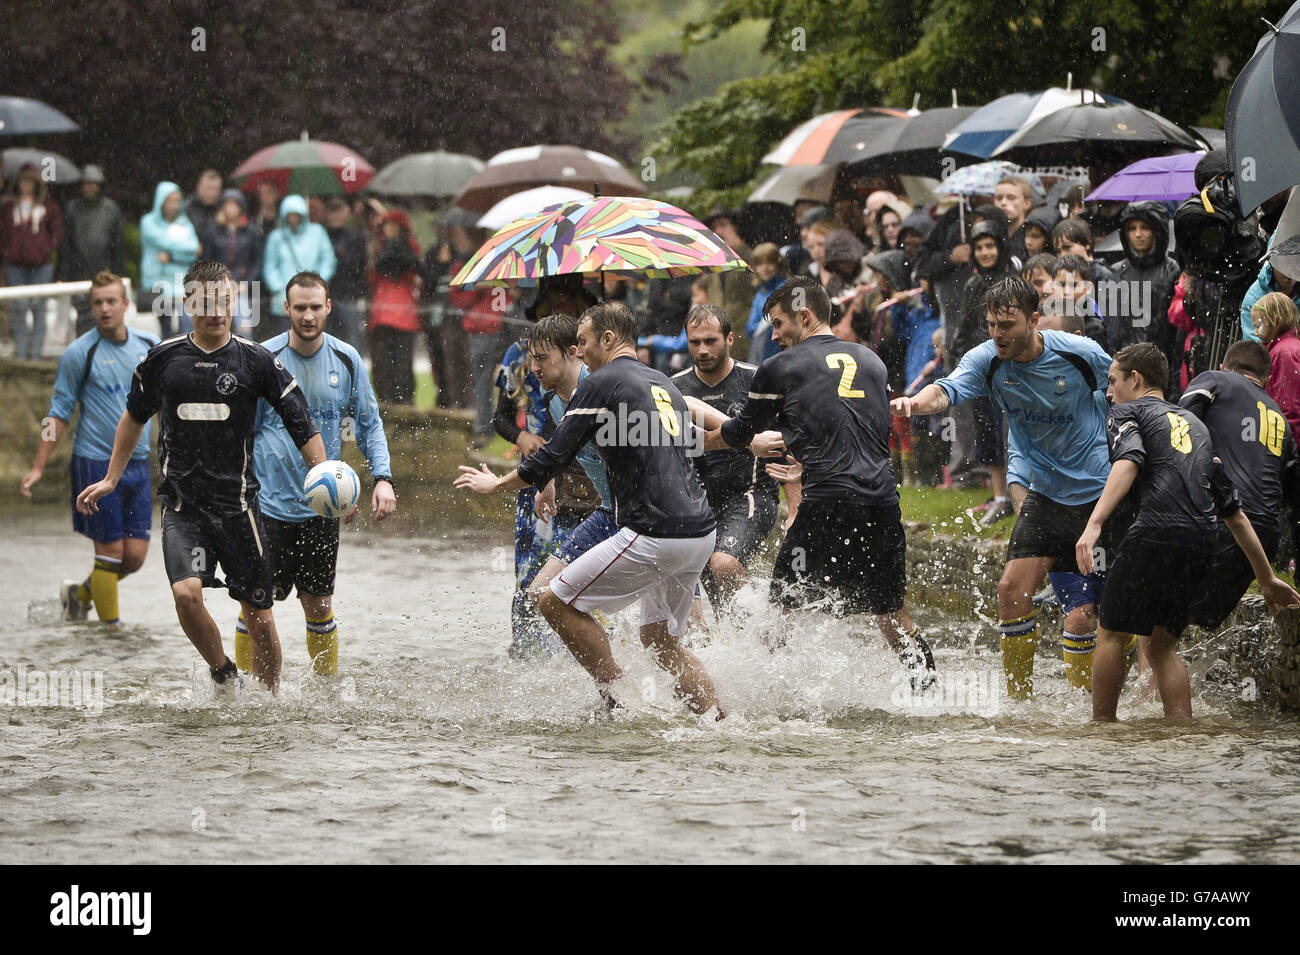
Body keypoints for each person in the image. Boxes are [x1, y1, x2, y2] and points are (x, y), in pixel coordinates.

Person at [455, 302, 724, 717]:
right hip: (700, 532)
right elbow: (693, 443)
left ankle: (621, 702)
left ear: (608, 340)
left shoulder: (599, 383)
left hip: (652, 530)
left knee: (552, 600)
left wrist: (498, 484)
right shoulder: (661, 382)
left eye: (582, 342)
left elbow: (551, 458)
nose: (580, 350)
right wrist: (742, 435)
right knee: (659, 639)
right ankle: (719, 721)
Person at [75, 260, 325, 692]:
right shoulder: (164, 360)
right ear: (189, 303)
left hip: (239, 508)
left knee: (260, 617)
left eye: (225, 301)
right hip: (183, 508)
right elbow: (133, 418)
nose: (216, 312)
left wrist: (324, 479)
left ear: (235, 302)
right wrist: (112, 477)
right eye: (206, 303)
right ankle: (224, 673)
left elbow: (300, 422)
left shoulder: (257, 362)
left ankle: (267, 705)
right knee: (187, 595)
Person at [700, 276, 937, 685]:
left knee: (782, 611)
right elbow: (861, 435)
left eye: (778, 324)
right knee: (893, 616)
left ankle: (768, 703)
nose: (774, 337)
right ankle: (931, 691)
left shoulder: (779, 368)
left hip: (825, 508)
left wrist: (702, 442)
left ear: (804, 316)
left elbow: (742, 432)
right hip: (881, 504)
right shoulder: (872, 362)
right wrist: (808, 467)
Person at [893, 276, 1118, 699]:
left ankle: (1089, 710)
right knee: (1010, 591)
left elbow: (1128, 392)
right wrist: (914, 403)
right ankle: (1020, 702)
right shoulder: (987, 359)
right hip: (1045, 494)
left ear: (1034, 321)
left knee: (1086, 616)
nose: (998, 334)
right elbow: (948, 390)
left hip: (1096, 492)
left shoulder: (1080, 354)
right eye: (992, 324)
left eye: (1008, 325)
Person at [1075, 343, 1300, 721]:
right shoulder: (1197, 425)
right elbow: (1233, 511)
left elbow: (1129, 459)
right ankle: (1181, 730)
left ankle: (1102, 730)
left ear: (1135, 379)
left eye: (1112, 381)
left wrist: (1094, 523)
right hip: (1202, 540)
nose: (1108, 392)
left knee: (1111, 632)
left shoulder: (1126, 411)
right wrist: (1265, 577)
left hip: (1155, 529)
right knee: (1162, 646)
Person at [233, 271, 395, 676]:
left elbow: (369, 424)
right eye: (299, 307)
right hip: (266, 507)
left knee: (319, 603)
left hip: (323, 509)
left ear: (328, 307)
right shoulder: (261, 358)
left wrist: (383, 478)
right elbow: (240, 431)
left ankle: (326, 695)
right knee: (255, 604)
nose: (307, 316)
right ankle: (241, 698)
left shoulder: (347, 359)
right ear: (286, 309)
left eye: (315, 307)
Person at [21, 271, 158, 623]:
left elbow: (168, 399)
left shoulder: (149, 344)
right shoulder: (79, 353)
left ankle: (77, 595)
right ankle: (111, 637)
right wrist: (38, 466)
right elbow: (57, 414)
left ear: (126, 304)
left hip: (139, 464)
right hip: (94, 463)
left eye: (111, 301)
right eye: (97, 302)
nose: (104, 308)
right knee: (110, 552)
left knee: (135, 558)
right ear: (91, 308)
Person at [1179, 340, 1299, 629]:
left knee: (1157, 623)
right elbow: (1290, 488)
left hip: (1218, 520)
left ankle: (1146, 674)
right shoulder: (1280, 418)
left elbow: (1176, 427)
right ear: (1267, 380)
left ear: (1224, 365)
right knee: (1191, 621)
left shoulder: (1214, 380)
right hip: (1263, 537)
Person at [670, 305, 780, 611]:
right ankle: (757, 644)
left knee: (724, 562)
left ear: (730, 338)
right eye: (695, 343)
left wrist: (796, 503)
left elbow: (785, 444)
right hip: (699, 504)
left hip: (751, 493)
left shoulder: (757, 380)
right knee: (720, 606)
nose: (703, 350)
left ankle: (756, 634)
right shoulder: (675, 388)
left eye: (711, 341)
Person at [956, 219, 1016, 526]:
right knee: (988, 433)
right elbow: (964, 328)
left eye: (990, 245)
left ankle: (1020, 497)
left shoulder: (1012, 280)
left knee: (1013, 433)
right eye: (979, 247)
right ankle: (1000, 497)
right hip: (982, 370)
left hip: (1011, 367)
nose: (985, 252)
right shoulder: (973, 285)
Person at [1109, 202, 1181, 389]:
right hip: (1126, 362)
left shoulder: (1173, 270)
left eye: (1145, 228)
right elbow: (1114, 325)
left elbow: (1174, 326)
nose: (1138, 234)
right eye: (1132, 229)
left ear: (1157, 231)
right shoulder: (1118, 272)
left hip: (1162, 361)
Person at [1, 163, 64, 359]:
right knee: (18, 310)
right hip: (15, 265)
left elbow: (57, 233)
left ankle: (35, 354)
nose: (26, 185)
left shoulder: (49, 206)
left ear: (36, 184)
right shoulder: (8, 206)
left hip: (41, 265)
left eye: (29, 181)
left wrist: (45, 249)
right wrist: (7, 251)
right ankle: (21, 354)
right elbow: (3, 233)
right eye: (22, 180)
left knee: (39, 309)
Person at [57, 165, 125, 337]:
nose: (91, 187)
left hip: (104, 270)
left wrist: (117, 273)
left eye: (94, 184)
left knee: (106, 313)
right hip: (78, 271)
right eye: (87, 183)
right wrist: (64, 274)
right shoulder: (72, 208)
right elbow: (66, 245)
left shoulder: (111, 209)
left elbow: (117, 245)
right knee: (83, 317)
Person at [262, 194, 337, 341]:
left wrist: (318, 282)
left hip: (314, 295)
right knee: (285, 340)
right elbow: (270, 266)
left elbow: (328, 260)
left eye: (297, 215)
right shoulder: (277, 237)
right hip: (284, 298)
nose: (293, 220)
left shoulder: (317, 232)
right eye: (290, 216)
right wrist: (278, 288)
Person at [367, 210, 422, 404]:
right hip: (386, 312)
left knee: (402, 363)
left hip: (399, 312)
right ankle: (388, 399)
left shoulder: (408, 249)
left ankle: (402, 400)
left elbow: (415, 270)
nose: (389, 230)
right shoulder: (379, 249)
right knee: (383, 362)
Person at [138, 181, 200, 338]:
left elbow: (193, 254)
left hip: (180, 280)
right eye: (170, 200)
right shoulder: (148, 222)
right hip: (157, 281)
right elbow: (166, 241)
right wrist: (189, 245)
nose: (174, 205)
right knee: (165, 321)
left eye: (177, 200)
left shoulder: (184, 223)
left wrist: (171, 255)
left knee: (188, 316)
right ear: (161, 200)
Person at [201, 189, 262, 336]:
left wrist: (246, 282)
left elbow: (257, 261)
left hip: (241, 285)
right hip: (218, 285)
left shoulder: (251, 231)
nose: (230, 209)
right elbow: (207, 260)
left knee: (244, 328)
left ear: (241, 207)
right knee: (216, 325)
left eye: (234, 205)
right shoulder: (214, 231)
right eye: (227, 205)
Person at [323, 197, 369, 355]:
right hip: (326, 296)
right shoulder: (322, 235)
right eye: (332, 212)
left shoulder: (356, 236)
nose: (335, 216)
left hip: (349, 295)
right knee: (328, 341)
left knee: (352, 341)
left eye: (339, 211)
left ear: (347, 213)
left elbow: (357, 264)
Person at [1251, 291, 1300, 433]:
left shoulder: (1284, 353)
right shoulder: (1284, 348)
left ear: (1276, 321)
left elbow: (1288, 407)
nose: (1255, 333)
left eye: (1258, 326)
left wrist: (1284, 442)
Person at [745, 242, 787, 365]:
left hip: (780, 353)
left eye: (769, 262)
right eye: (760, 263)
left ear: (778, 264)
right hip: (761, 354)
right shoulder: (759, 294)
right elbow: (750, 328)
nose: (765, 268)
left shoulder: (785, 289)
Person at [994, 176, 1036, 265]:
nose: (1003, 203)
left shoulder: (1033, 236)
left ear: (1027, 203)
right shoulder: (993, 236)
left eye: (1011, 198)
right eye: (999, 198)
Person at [185, 169, 224, 243]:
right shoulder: (187, 208)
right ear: (198, 187)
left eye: (215, 189)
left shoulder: (225, 208)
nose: (211, 194)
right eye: (208, 188)